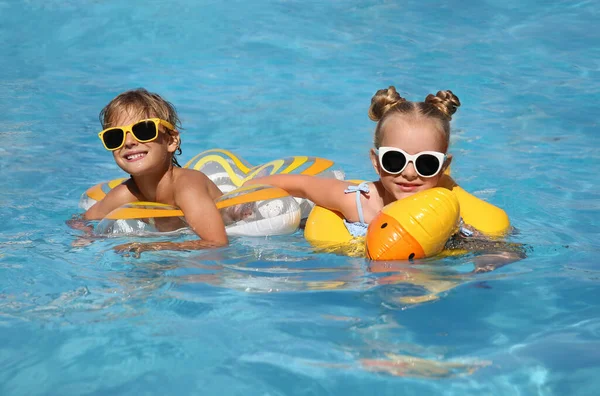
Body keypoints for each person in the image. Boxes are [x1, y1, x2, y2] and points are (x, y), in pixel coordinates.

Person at [246, 86, 525, 271]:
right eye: (395, 160)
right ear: (376, 161)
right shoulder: (358, 200)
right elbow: (299, 184)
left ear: (443, 167)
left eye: (427, 163)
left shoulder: (454, 213)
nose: (409, 173)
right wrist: (246, 193)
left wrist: (488, 262)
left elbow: (508, 250)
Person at [79, 88, 228, 254]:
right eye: (115, 137)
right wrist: (85, 237)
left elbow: (216, 242)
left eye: (143, 130)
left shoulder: (187, 187)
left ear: (171, 141)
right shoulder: (125, 194)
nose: (128, 142)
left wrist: (152, 247)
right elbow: (82, 221)